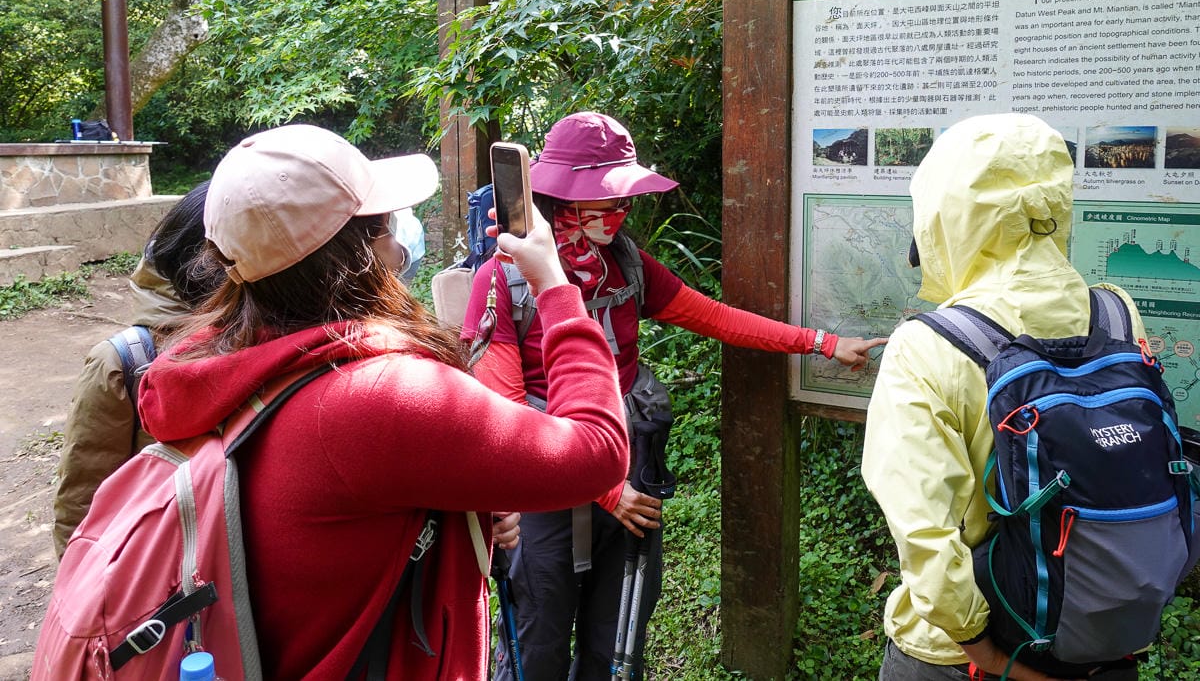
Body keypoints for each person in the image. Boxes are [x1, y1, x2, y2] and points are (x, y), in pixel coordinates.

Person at [137, 123, 630, 680]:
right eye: (388, 225)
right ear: (362, 253)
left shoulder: (212, 362)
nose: (401, 242)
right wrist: (554, 286)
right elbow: (597, 453)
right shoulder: (377, 396)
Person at [461, 111, 888, 681]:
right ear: (562, 201)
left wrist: (822, 342)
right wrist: (604, 489)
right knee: (538, 641)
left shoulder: (626, 265)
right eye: (603, 204)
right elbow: (506, 411)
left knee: (618, 644)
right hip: (550, 487)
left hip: (629, 470)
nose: (619, 217)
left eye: (622, 203)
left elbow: (711, 316)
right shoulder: (504, 278)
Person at [862, 113, 1141, 681]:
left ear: (946, 212)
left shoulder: (927, 345)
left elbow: (924, 534)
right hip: (1098, 635)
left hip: (967, 656)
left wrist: (987, 654)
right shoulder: (1115, 312)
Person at [52, 181, 216, 558]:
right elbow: (82, 499)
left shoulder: (270, 335)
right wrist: (86, 596)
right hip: (158, 573)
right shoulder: (122, 360)